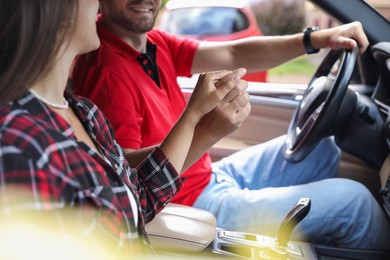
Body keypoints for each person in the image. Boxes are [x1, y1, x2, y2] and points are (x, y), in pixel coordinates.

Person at [71, 0, 390, 250]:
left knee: (322, 147)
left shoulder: (152, 42)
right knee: (356, 203)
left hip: (209, 175)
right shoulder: (106, 70)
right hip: (186, 203)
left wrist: (316, 39)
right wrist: (207, 129)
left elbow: (234, 51)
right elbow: (123, 171)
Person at [0, 0, 248, 254]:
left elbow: (139, 199)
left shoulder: (85, 113)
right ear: (58, 10)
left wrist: (204, 123)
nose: (97, 4)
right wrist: (197, 119)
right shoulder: (17, 143)